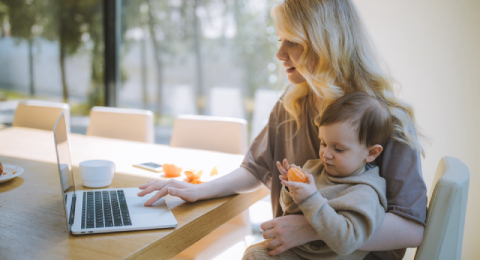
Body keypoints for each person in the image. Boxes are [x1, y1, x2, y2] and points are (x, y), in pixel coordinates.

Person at [137, 0, 427, 259]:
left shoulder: (389, 120)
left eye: (292, 42)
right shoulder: (291, 104)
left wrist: (313, 228)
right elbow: (255, 169)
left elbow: (412, 228)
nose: (279, 53)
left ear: (325, 43)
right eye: (279, 39)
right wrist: (200, 190)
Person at [243, 92, 391, 260]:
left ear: (371, 153)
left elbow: (346, 242)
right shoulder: (314, 168)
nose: (326, 154)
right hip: (297, 251)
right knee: (254, 254)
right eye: (323, 143)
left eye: (338, 149)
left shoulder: (366, 194)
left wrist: (311, 198)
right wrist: (291, 189)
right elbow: (290, 211)